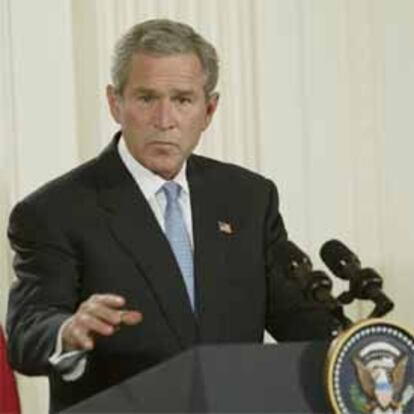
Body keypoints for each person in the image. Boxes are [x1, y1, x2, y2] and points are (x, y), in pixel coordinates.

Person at [6, 19, 338, 413]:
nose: (165, 120)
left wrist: (359, 347)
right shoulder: (55, 211)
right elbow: (28, 331)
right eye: (147, 98)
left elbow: (298, 322)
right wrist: (66, 331)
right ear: (116, 103)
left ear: (209, 109)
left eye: (182, 99)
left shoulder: (248, 198)